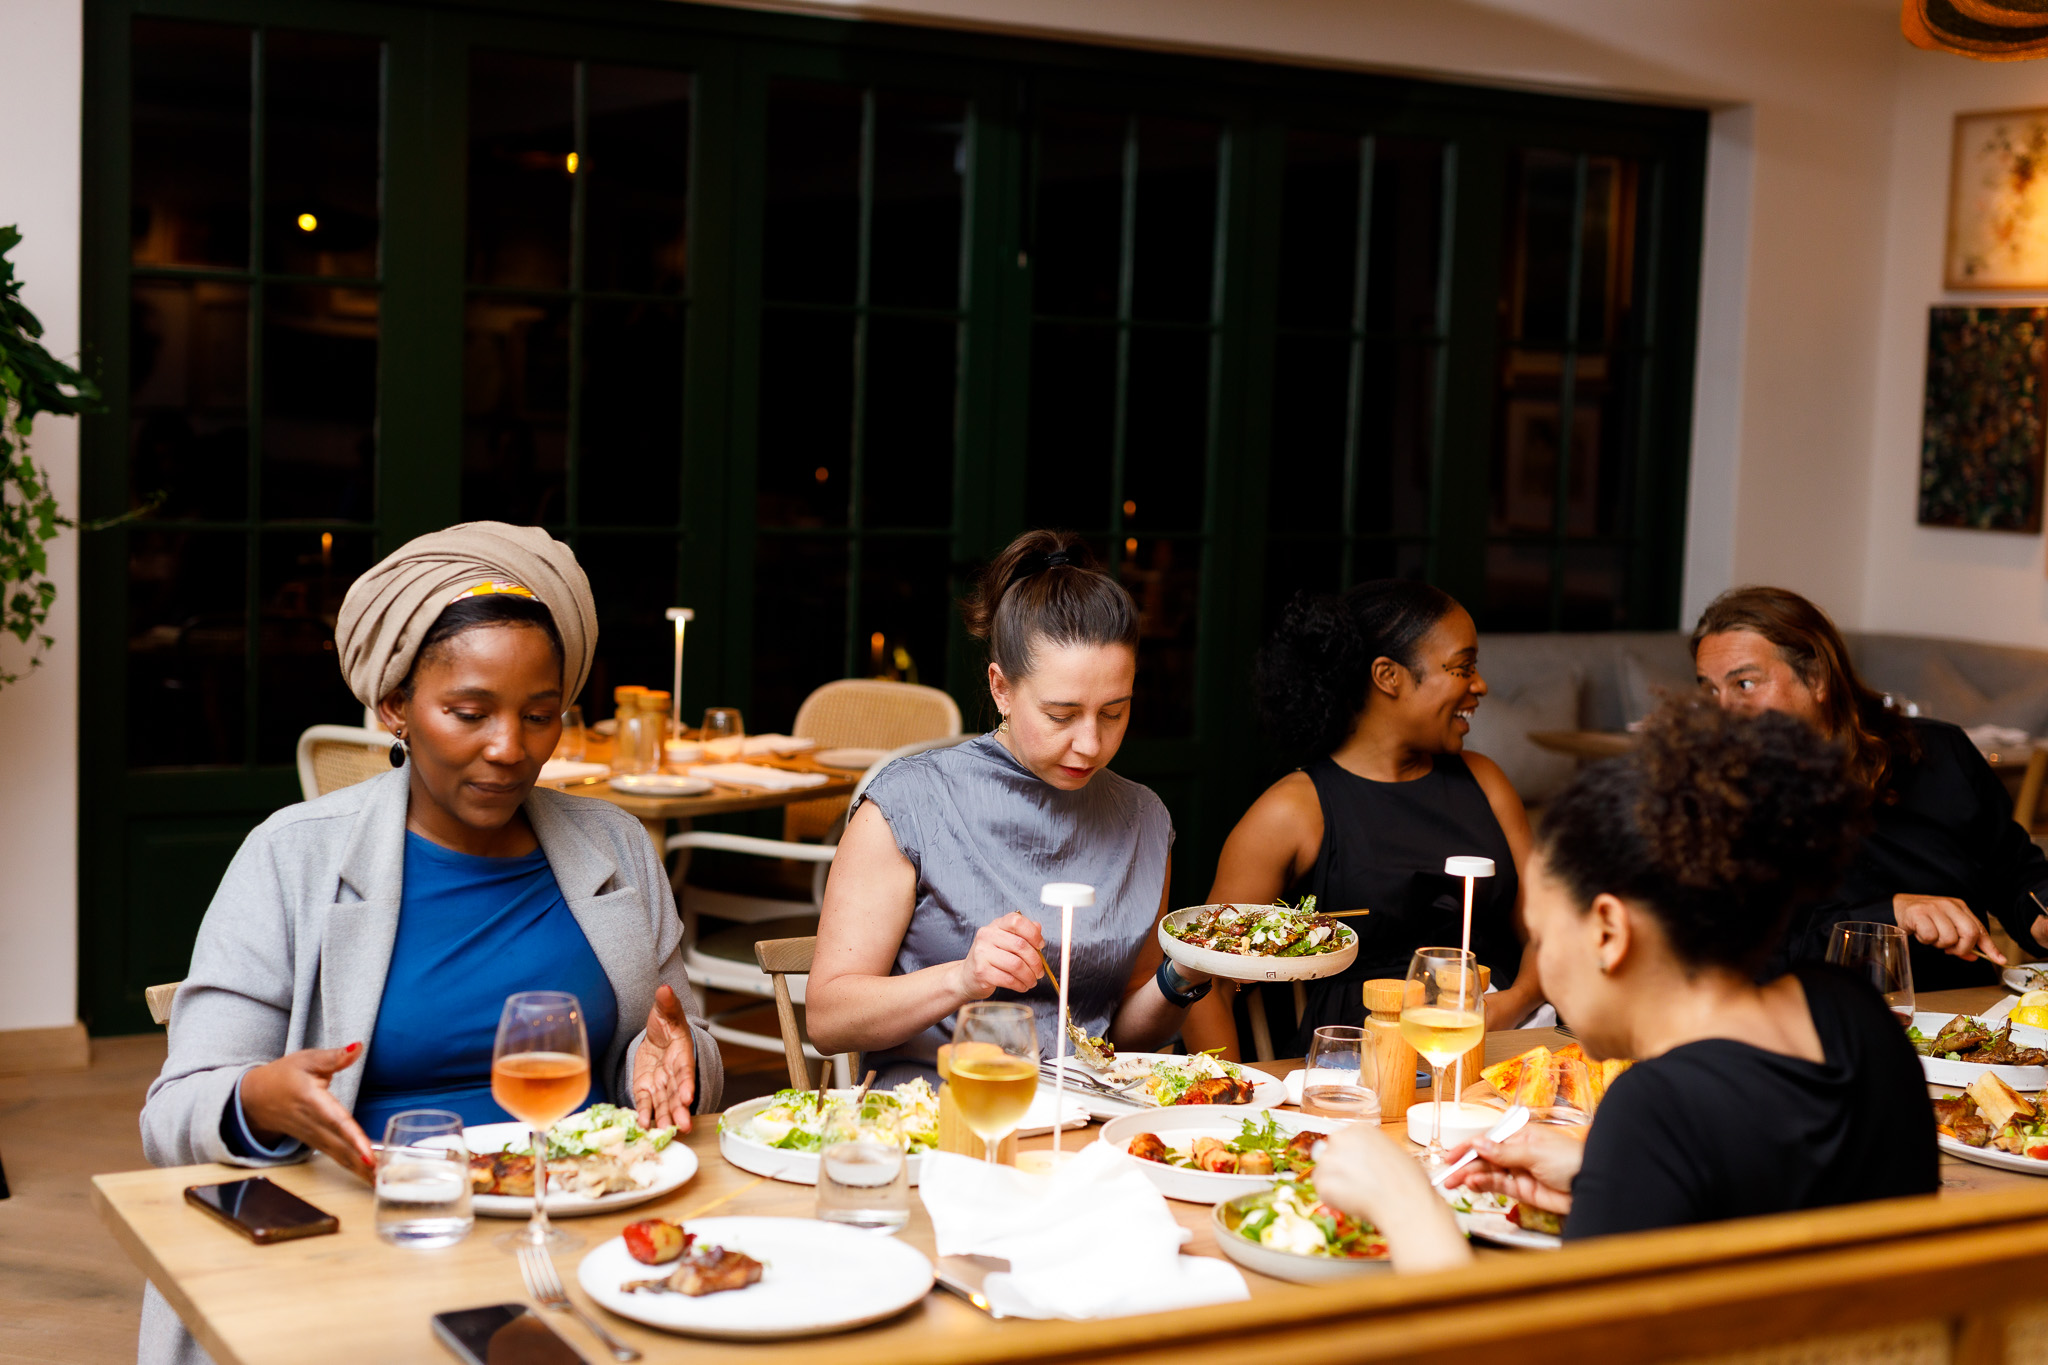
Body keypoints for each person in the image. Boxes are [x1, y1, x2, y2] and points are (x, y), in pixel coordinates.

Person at [138, 523, 719, 1365]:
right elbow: (172, 1115)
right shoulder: (293, 857)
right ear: (395, 707)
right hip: (361, 1243)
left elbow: (674, 1044)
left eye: (540, 715)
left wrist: (669, 1063)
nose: (510, 749)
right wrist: (259, 1097)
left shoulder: (616, 847)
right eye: (469, 713)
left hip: (575, 1242)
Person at [1311, 703, 1937, 1266]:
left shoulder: (1654, 1107)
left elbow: (1565, 1347)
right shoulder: (1852, 1011)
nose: (1542, 966)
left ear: (1608, 930)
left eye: (1544, 937)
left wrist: (1405, 1205)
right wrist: (1608, 1178)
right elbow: (1774, 1197)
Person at [807, 530, 1211, 1083]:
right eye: (1061, 715)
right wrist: (961, 979)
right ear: (1001, 688)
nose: (1090, 744)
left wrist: (1184, 972)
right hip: (941, 1110)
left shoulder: (1143, 819)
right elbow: (828, 1020)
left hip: (1084, 1114)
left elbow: (1122, 1037)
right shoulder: (910, 803)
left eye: (1114, 712)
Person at [1186, 582, 1540, 1058]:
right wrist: (1231, 1090)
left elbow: (1549, 930)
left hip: (1503, 1050)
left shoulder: (1485, 780)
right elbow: (1204, 981)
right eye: (1462, 667)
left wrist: (1515, 1003)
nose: (1479, 686)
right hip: (1358, 1067)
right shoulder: (1294, 811)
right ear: (1388, 676)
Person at [1692, 586, 2048, 988]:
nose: (1723, 711)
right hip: (1806, 1017)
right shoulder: (1708, 795)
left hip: (1963, 1016)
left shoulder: (1936, 753)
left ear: (1817, 679)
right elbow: (1750, 952)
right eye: (1710, 690)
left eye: (1744, 684)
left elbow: (2015, 873)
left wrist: (2041, 915)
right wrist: (1890, 915)